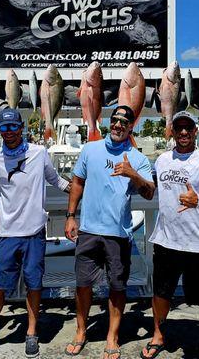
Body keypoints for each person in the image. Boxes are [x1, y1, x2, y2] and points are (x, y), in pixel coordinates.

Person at [64, 105, 155, 359]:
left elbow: (149, 193)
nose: (118, 125)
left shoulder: (137, 158)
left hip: (118, 233)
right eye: (115, 120)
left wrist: (132, 174)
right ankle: (81, 331)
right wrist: (71, 216)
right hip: (89, 230)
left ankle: (112, 336)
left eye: (124, 122)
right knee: (83, 285)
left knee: (117, 287)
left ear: (130, 127)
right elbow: (78, 182)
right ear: (109, 123)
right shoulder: (90, 149)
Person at [0, 108, 70, 359]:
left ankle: (31, 332)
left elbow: (57, 180)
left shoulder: (39, 153)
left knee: (34, 284)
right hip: (8, 233)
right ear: (0, 130)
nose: (9, 133)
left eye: (13, 127)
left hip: (34, 232)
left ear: (22, 128)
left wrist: (80, 189)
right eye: (4, 128)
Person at [141, 111, 199, 359]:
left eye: (187, 128)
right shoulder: (161, 160)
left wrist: (198, 199)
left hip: (198, 244)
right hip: (166, 241)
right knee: (160, 294)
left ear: (195, 131)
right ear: (172, 131)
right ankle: (158, 335)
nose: (182, 132)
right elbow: (149, 187)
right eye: (178, 127)